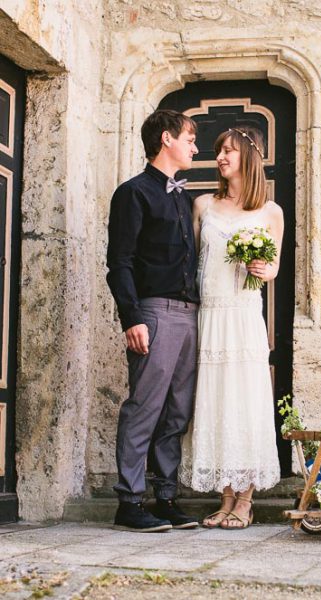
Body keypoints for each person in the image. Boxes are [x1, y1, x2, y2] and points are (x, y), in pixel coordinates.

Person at [180, 126, 283, 529]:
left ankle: (246, 500)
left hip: (243, 315)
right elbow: (191, 263)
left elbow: (273, 265)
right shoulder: (203, 205)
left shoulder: (270, 211)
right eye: (218, 150)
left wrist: (264, 267)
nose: (220, 156)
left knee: (245, 402)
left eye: (228, 150)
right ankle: (224, 497)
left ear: (249, 157)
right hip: (209, 315)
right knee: (214, 401)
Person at [106, 109, 201, 532]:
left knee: (177, 411)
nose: (195, 147)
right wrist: (132, 317)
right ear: (166, 139)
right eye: (190, 139)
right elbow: (119, 262)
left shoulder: (183, 197)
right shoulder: (133, 193)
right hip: (154, 313)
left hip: (189, 314)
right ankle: (130, 501)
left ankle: (164, 497)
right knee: (144, 408)